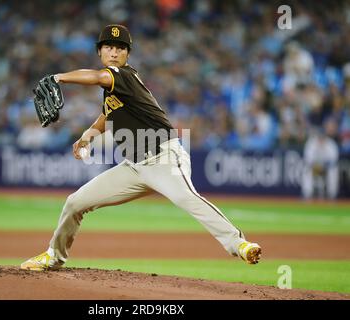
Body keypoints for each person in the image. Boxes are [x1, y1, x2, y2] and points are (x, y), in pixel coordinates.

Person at [21, 24, 261, 271]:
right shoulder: (116, 89)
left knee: (186, 198)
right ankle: (54, 256)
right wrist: (88, 135)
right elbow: (108, 112)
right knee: (74, 202)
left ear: (127, 54)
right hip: (134, 167)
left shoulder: (123, 75)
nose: (114, 52)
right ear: (100, 51)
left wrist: (59, 77)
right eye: (109, 47)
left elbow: (97, 77)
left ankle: (239, 244)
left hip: (164, 157)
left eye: (120, 48)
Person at [302, 127, 339, 199]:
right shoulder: (311, 143)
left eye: (322, 137)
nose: (321, 139)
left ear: (325, 136)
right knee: (306, 169)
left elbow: (334, 160)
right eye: (319, 137)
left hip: (327, 168)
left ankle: (332, 195)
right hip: (314, 168)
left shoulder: (331, 144)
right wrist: (316, 166)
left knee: (333, 170)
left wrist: (324, 166)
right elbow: (307, 159)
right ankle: (307, 195)